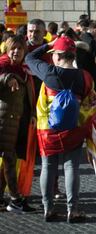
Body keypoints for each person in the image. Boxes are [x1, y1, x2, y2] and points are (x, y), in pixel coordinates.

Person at [25, 36, 96, 223]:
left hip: (48, 129)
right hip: (74, 128)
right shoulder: (85, 76)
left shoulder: (49, 72)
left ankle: (48, 208)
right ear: (73, 55)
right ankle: (72, 210)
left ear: (57, 55)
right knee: (71, 167)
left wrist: (47, 45)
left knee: (48, 167)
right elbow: (92, 103)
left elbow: (29, 58)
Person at [0, 36, 36, 213]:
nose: (16, 52)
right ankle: (15, 199)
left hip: (18, 122)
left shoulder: (24, 70)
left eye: (20, 49)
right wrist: (6, 78)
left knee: (8, 159)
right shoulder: (3, 66)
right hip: (3, 120)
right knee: (9, 159)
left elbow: (29, 97)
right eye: (13, 48)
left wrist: (33, 115)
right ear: (7, 50)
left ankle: (2, 198)